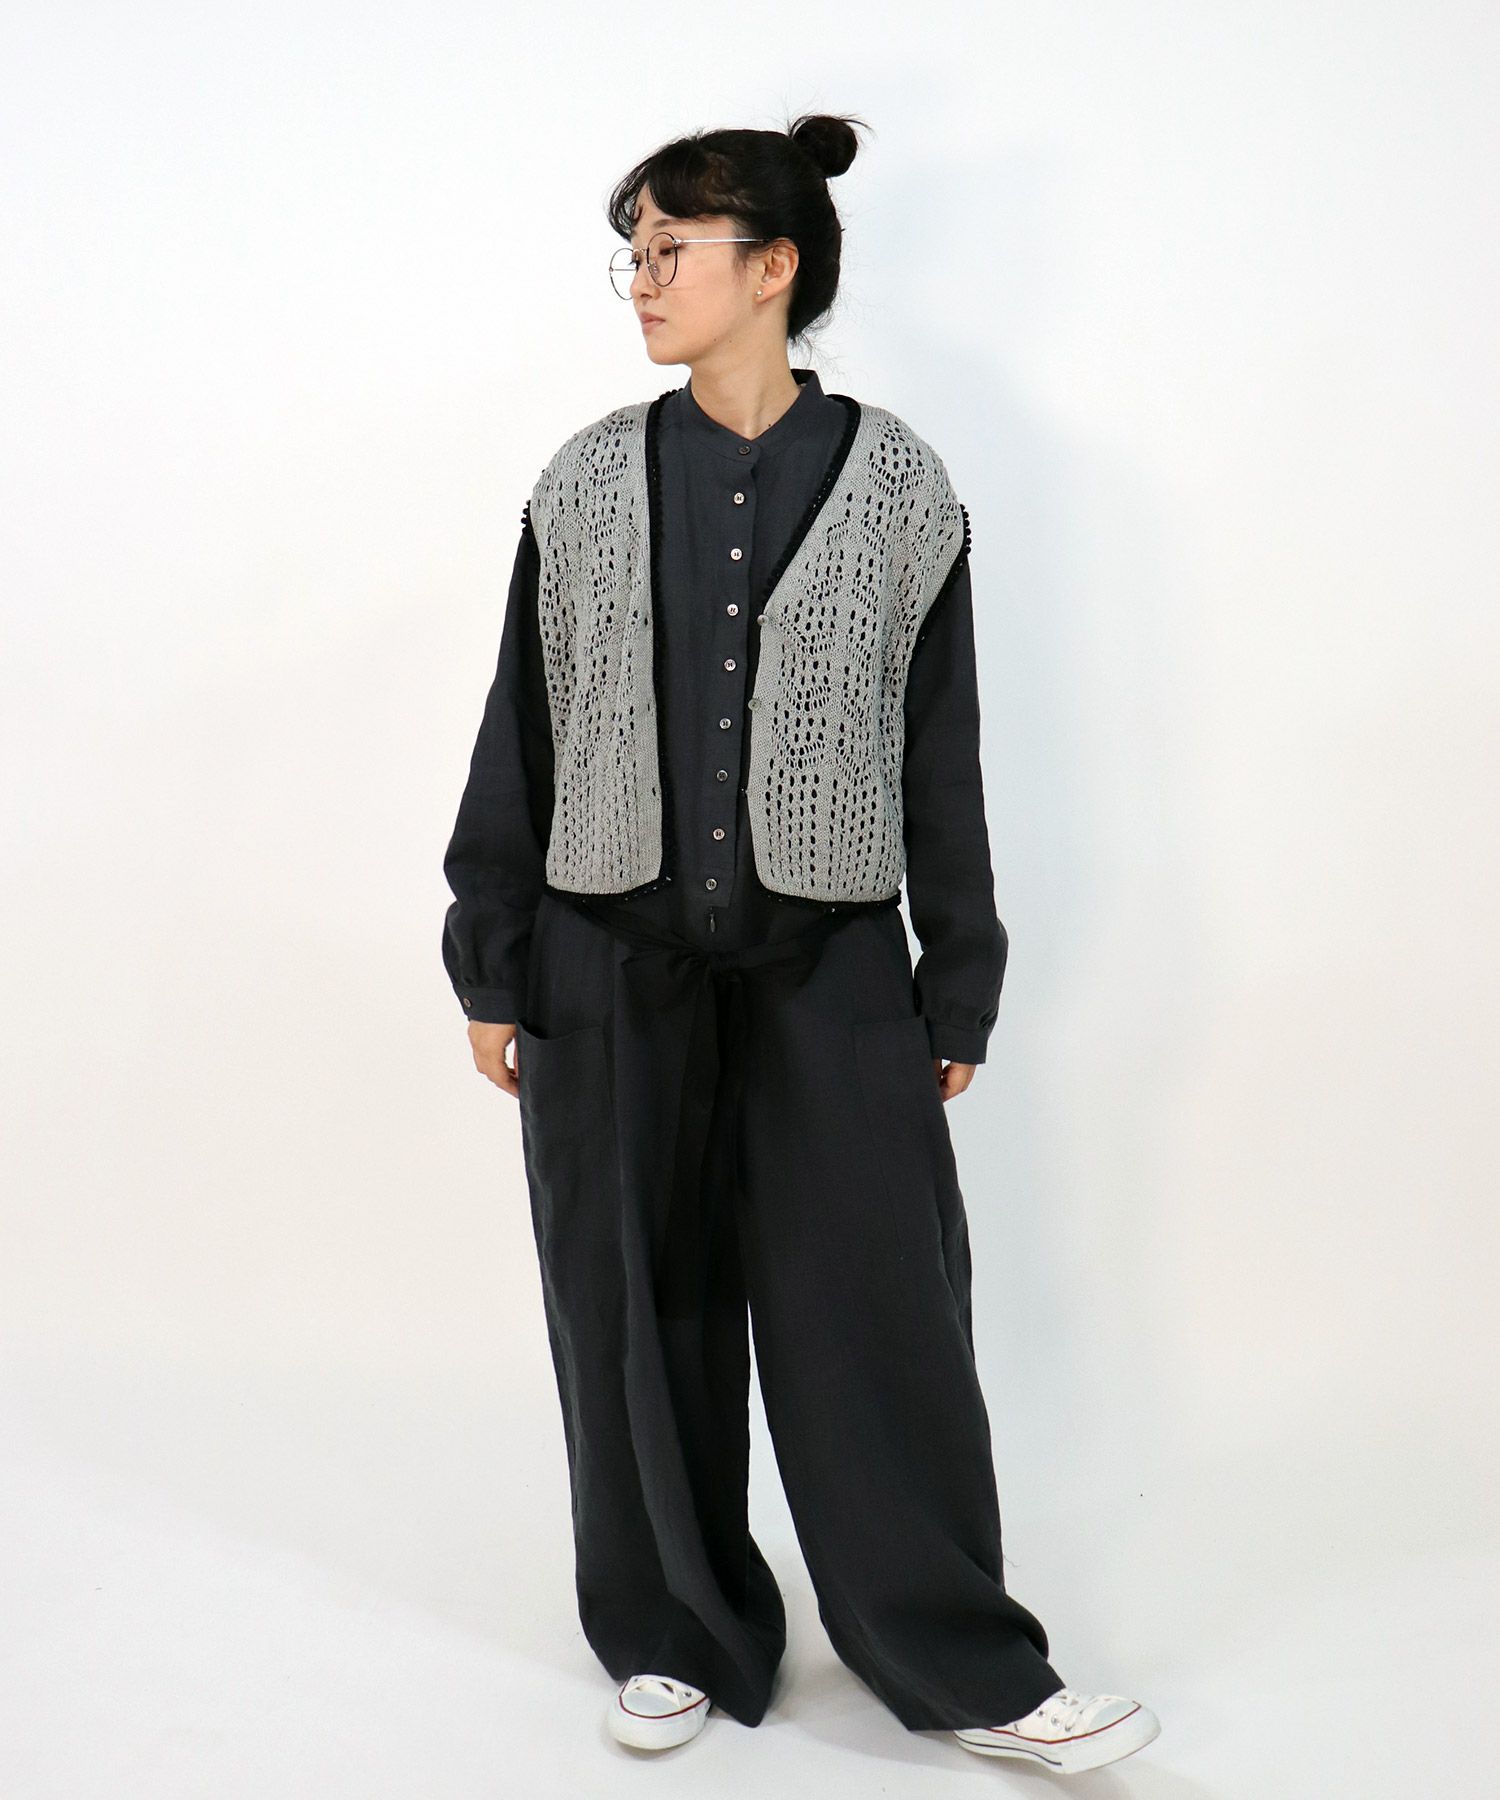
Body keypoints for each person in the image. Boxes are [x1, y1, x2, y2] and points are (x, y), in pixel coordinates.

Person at [440, 112, 1160, 1775]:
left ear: (772, 268)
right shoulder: (583, 481)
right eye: (630, 255)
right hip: (606, 967)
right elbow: (520, 732)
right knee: (634, 1313)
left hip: (831, 972)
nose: (641, 282)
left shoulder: (902, 487)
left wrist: (956, 974)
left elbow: (941, 749)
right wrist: (492, 955)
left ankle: (966, 1664)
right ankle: (672, 1635)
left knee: (880, 1321)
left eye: (668, 251)